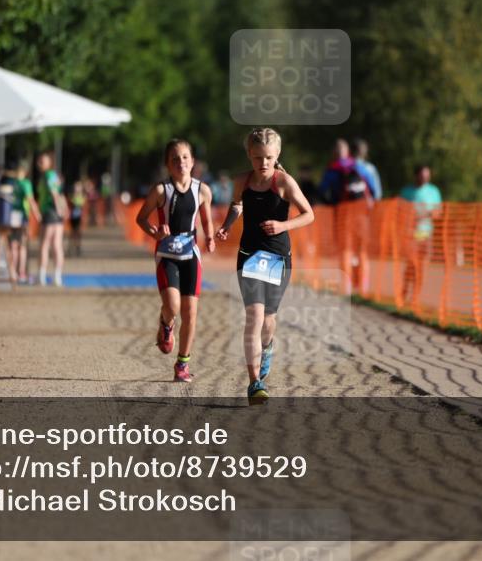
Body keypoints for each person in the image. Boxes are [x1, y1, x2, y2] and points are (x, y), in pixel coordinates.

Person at [216, 128, 315, 405]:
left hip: (277, 259)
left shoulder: (284, 183)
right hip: (249, 255)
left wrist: (283, 225)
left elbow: (309, 214)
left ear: (277, 155)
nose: (263, 163)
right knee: (254, 317)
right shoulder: (242, 182)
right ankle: (254, 382)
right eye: (258, 157)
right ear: (249, 155)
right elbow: (237, 206)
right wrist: (226, 226)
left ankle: (268, 347)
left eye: (269, 157)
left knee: (268, 322)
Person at [135, 139, 215, 383]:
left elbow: (206, 219)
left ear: (192, 162)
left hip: (191, 254)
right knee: (173, 306)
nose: (181, 162)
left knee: (191, 312)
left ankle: (182, 364)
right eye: (175, 158)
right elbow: (141, 219)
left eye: (185, 157)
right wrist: (154, 233)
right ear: (167, 165)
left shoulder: (202, 190)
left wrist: (210, 238)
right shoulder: (161, 191)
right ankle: (165, 322)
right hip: (167, 254)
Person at [318, 138, 373, 294]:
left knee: (345, 250)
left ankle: (347, 286)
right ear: (347, 152)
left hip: (343, 215)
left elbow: (322, 191)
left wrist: (332, 203)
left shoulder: (332, 170)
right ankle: (364, 287)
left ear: (333, 153)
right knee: (362, 251)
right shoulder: (359, 167)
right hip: (362, 215)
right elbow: (373, 190)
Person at [399, 165, 442, 306]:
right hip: (410, 233)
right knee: (411, 264)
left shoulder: (433, 191)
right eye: (422, 175)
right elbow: (398, 209)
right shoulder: (406, 191)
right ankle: (404, 291)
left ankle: (415, 297)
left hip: (425, 233)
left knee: (421, 266)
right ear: (416, 176)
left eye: (427, 175)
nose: (424, 178)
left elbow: (438, 211)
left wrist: (427, 214)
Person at [36, 151, 66, 286]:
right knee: (55, 244)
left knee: (46, 244)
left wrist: (59, 209)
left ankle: (44, 275)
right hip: (53, 212)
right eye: (39, 161)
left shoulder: (49, 175)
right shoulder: (46, 176)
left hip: (50, 212)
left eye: (43, 161)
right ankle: (56, 275)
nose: (40, 163)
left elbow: (55, 193)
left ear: (49, 163)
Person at [16, 159, 40, 285]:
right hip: (22, 217)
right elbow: (30, 200)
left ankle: (13, 273)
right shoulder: (26, 184)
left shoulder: (12, 182)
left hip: (10, 218)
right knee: (23, 246)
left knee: (13, 246)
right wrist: (37, 214)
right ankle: (21, 273)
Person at [68, 177, 86, 257]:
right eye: (76, 187)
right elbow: (70, 203)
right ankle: (71, 247)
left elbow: (81, 204)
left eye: (78, 187)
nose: (77, 189)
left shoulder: (82, 196)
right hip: (72, 217)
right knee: (72, 232)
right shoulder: (71, 195)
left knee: (78, 232)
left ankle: (78, 247)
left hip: (79, 217)